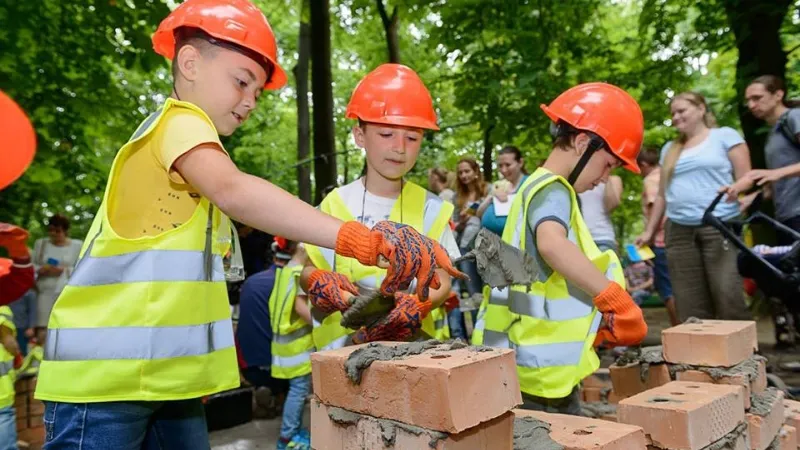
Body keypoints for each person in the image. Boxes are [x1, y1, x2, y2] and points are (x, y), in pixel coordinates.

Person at [34, 2, 461, 448]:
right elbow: (235, 191)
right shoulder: (177, 124)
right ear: (190, 62)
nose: (250, 101)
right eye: (241, 82)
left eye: (257, 92)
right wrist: (359, 239)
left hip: (159, 380)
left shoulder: (190, 160)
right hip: (105, 382)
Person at [472, 83, 648, 415]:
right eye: (608, 165)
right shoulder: (555, 190)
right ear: (583, 143)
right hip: (545, 372)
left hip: (524, 359)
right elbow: (552, 244)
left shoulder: (530, 188)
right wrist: (614, 299)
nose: (605, 177)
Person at [302, 63, 463, 349]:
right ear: (359, 136)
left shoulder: (432, 208)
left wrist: (418, 305)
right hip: (344, 354)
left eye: (412, 137)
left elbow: (443, 279)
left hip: (413, 353)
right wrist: (316, 280)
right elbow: (307, 268)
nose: (400, 147)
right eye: (387, 135)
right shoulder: (336, 204)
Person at [635, 92, 753, 322]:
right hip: (678, 230)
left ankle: (744, 354)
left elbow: (748, 178)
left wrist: (736, 189)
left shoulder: (724, 136)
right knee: (689, 301)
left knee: (726, 292)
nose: (676, 117)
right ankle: (700, 355)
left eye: (682, 111)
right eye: (673, 114)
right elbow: (662, 195)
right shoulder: (670, 148)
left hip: (719, 226)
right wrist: (649, 232)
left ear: (701, 108)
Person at [237, 237, 312, 450]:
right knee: (298, 392)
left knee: (296, 391)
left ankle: (291, 431)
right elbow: (299, 308)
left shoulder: (284, 273)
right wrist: (320, 324)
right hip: (297, 348)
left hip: (280, 349)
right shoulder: (298, 275)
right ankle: (288, 436)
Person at [735, 76, 800, 238]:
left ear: (778, 95)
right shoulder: (772, 134)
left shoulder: (794, 117)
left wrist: (776, 173)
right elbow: (782, 181)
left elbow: (780, 174)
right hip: (787, 217)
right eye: (748, 100)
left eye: (757, 98)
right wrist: (753, 198)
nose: (751, 105)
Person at [637, 148, 679, 326]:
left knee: (668, 289)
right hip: (678, 236)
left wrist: (648, 238)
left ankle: (680, 331)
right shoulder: (669, 175)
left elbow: (657, 208)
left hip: (662, 241)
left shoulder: (651, 180)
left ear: (644, 165)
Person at [450, 158, 489, 339]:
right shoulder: (456, 197)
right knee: (474, 292)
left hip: (487, 248)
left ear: (475, 171)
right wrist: (461, 222)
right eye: (461, 172)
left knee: (489, 289)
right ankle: (477, 334)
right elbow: (452, 227)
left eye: (467, 171)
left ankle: (489, 329)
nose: (464, 175)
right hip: (465, 250)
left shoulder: (488, 190)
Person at [32, 214, 82, 341]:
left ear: (65, 231)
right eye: (51, 230)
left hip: (66, 292)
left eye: (57, 231)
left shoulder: (77, 246)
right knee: (43, 325)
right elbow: (32, 266)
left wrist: (63, 271)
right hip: (44, 291)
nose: (53, 234)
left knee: (64, 323)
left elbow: (82, 268)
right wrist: (41, 270)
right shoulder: (41, 244)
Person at [479, 146, 529, 235]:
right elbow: (479, 213)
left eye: (508, 165)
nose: (503, 170)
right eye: (500, 166)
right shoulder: (499, 185)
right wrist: (491, 197)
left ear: (520, 162)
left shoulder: (528, 184)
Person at [578, 175, 623, 254]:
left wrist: (608, 177)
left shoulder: (613, 179)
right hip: (577, 238)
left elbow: (612, 205)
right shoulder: (578, 177)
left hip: (601, 238)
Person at [0, 305, 20, 450]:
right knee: (3, 417)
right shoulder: (2, 309)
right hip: (1, 387)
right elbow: (9, 343)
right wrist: (17, 355)